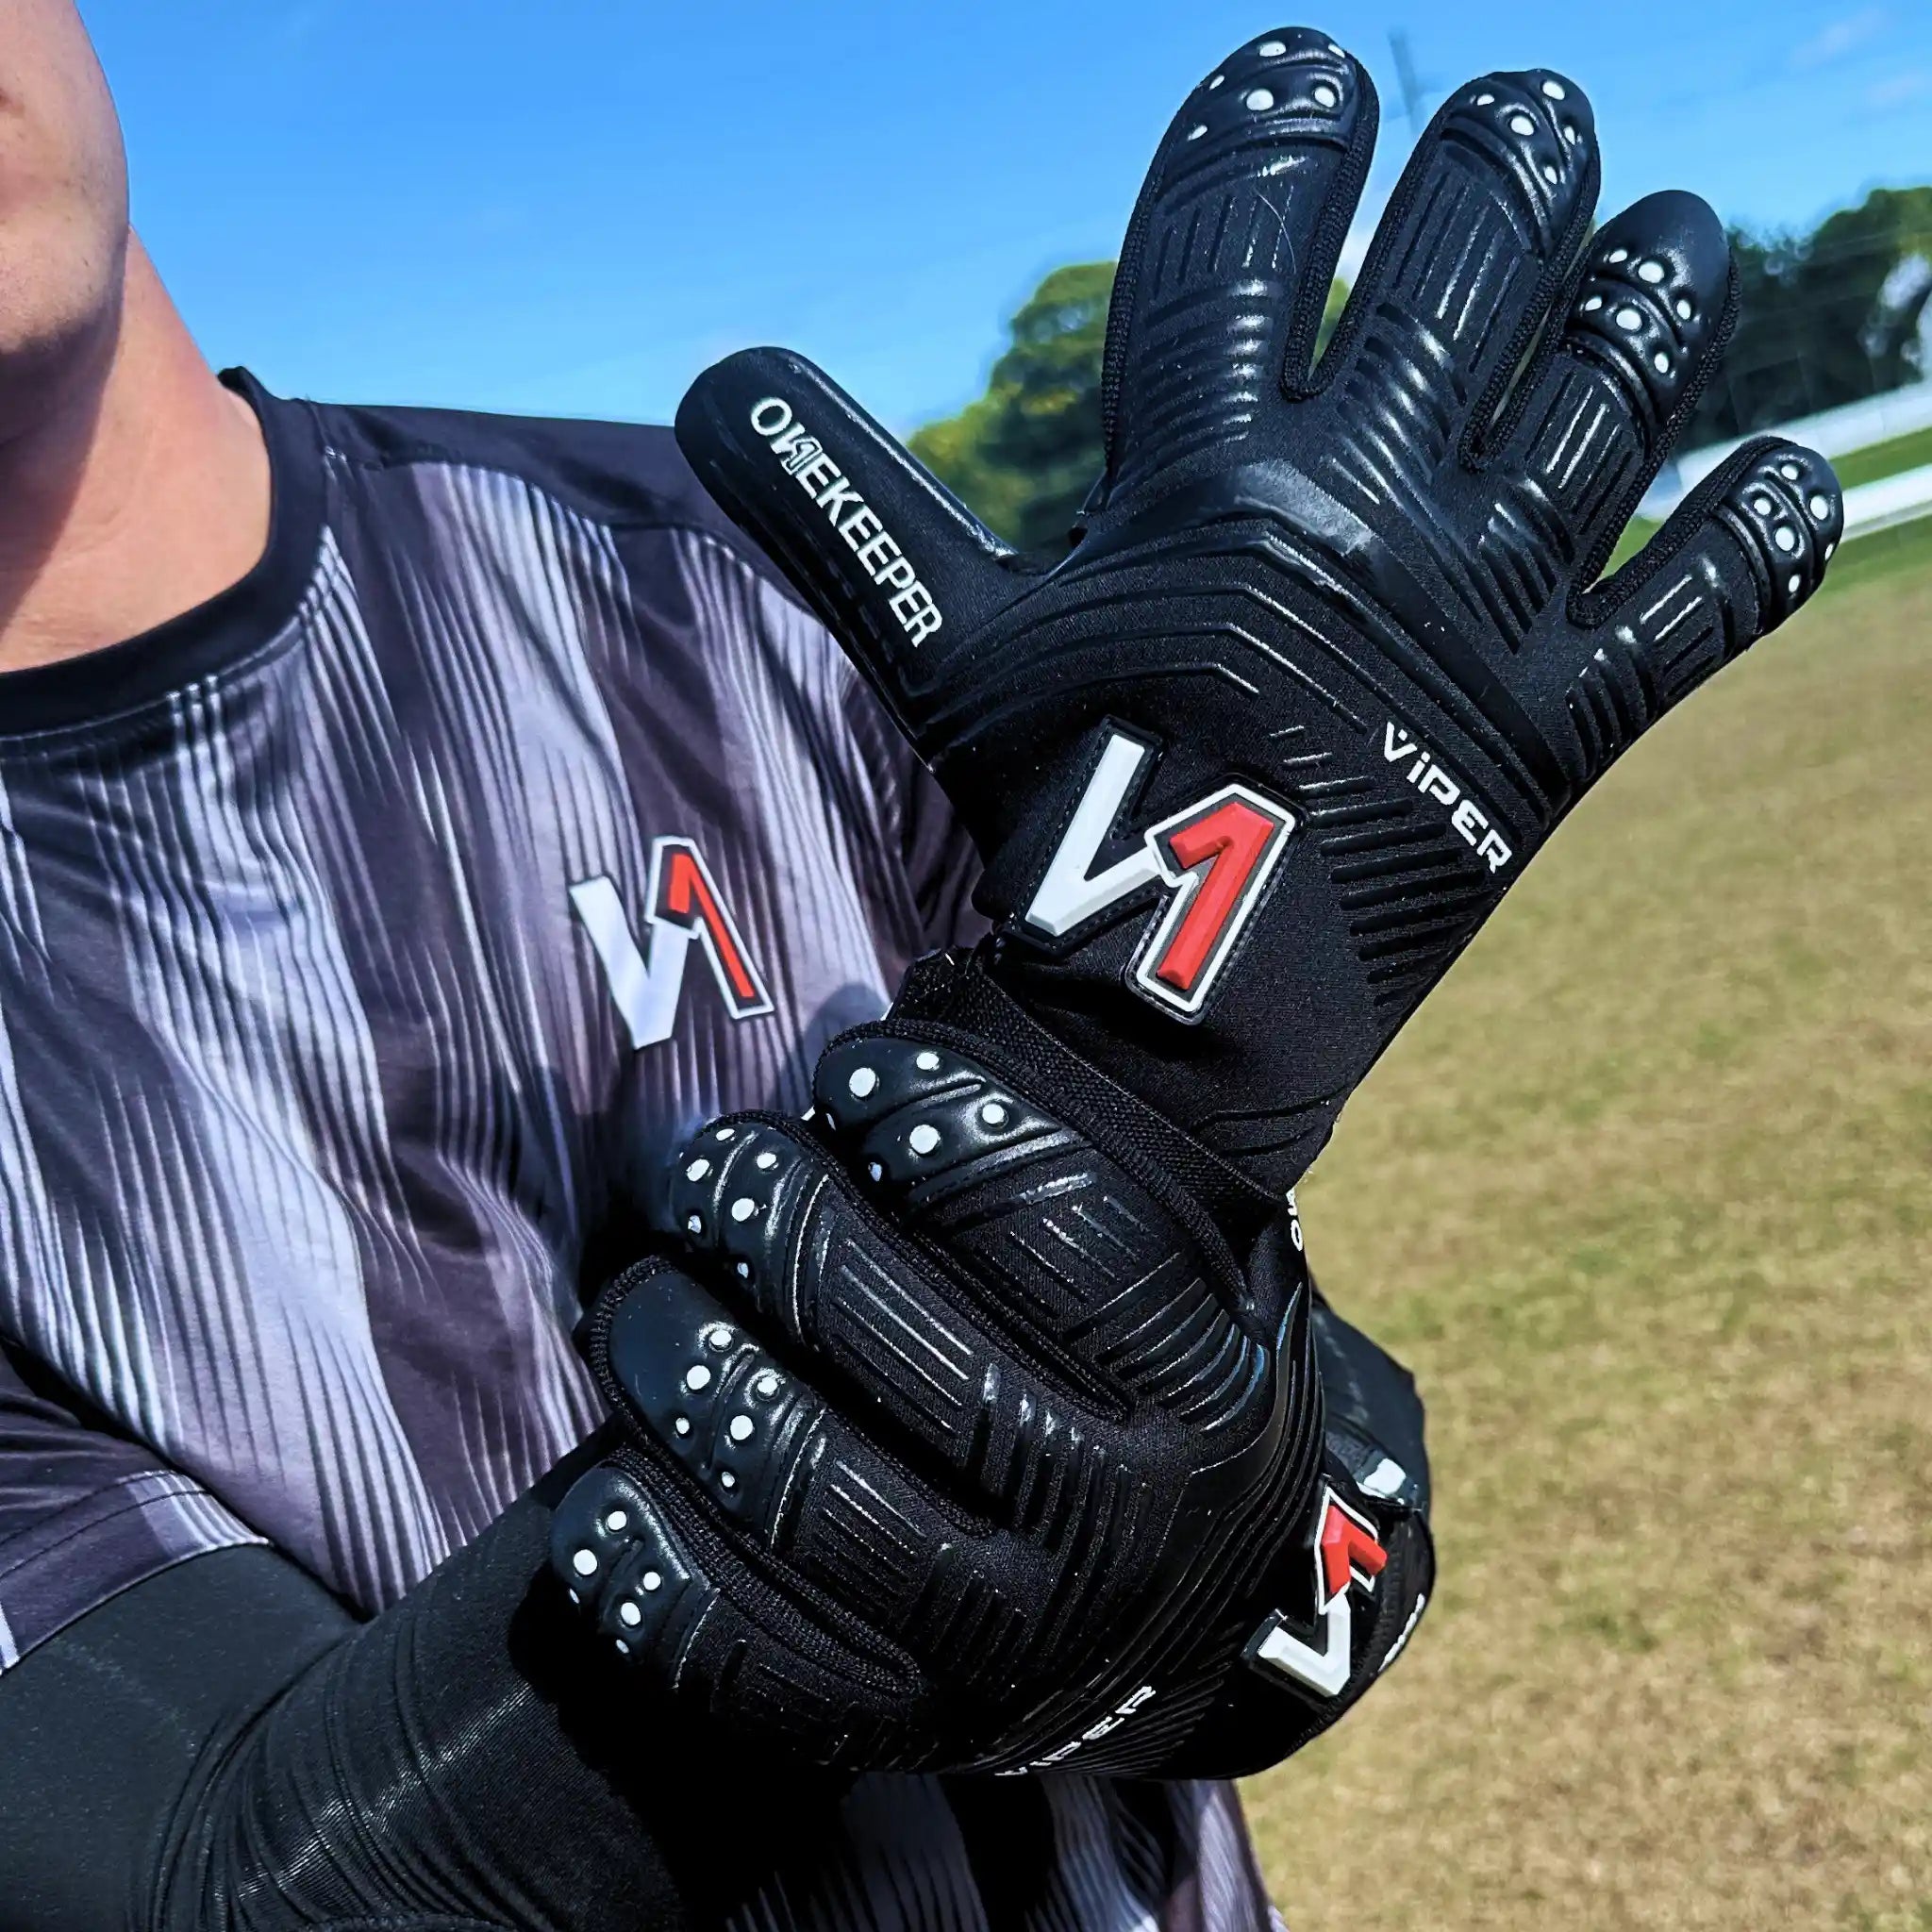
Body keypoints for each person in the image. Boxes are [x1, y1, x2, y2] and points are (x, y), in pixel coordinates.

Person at [0, 8, 1836, 1931]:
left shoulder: (725, 582)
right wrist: (1100, 1148)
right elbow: (243, 1882)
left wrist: (1196, 1464)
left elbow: (1322, 1541)